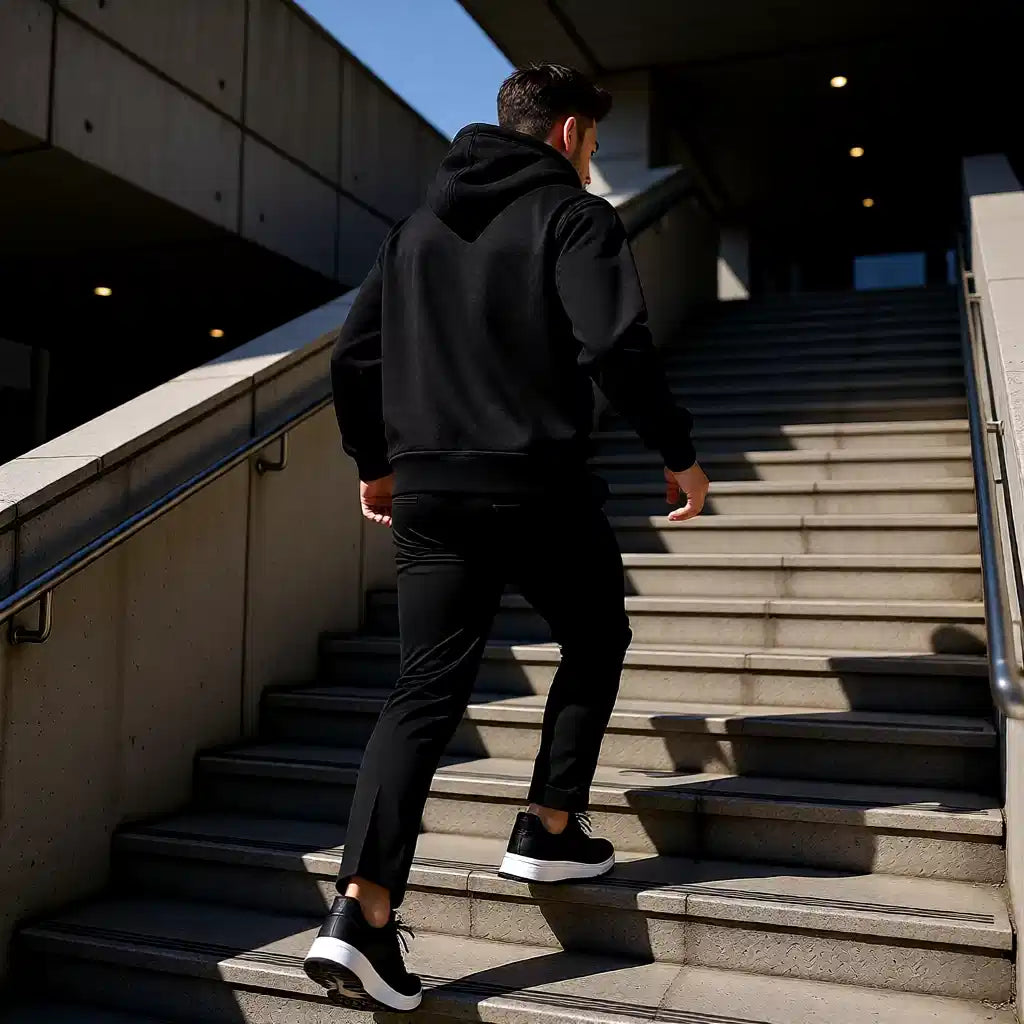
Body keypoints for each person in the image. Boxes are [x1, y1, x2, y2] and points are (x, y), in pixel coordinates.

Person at [303, 63, 709, 1012]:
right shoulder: (574, 216)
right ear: (569, 132)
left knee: (420, 694)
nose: (596, 157)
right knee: (598, 635)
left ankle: (358, 913)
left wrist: (375, 460)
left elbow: (350, 357)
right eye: (595, 141)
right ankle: (549, 824)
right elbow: (613, 345)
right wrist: (677, 450)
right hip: (537, 487)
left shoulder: (414, 231)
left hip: (431, 493)